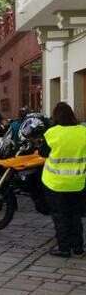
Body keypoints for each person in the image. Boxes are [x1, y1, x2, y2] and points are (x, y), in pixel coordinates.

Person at [40, 102, 86, 258]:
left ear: (56, 116)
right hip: (78, 181)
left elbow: (43, 153)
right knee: (75, 215)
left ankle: (64, 248)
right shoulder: (83, 131)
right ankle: (78, 248)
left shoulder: (51, 133)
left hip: (55, 183)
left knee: (60, 216)